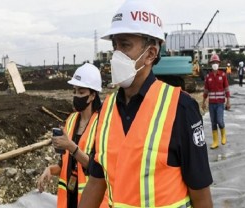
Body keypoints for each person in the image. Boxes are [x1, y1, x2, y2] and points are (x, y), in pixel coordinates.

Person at [79, 1, 213, 207]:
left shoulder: (180, 108)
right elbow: (97, 181)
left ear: (150, 54)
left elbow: (201, 194)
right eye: (114, 45)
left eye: (125, 45)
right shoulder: (106, 109)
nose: (116, 54)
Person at [37, 63, 108, 208]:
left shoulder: (102, 124)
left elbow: (97, 167)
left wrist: (71, 147)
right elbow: (63, 165)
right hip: (69, 200)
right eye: (74, 91)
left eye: (81, 93)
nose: (76, 96)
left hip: (91, 201)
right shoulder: (71, 121)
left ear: (92, 95)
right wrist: (50, 170)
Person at [202, 54, 231, 149]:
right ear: (211, 64)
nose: (215, 64)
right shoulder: (208, 77)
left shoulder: (222, 75)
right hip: (211, 104)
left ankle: (223, 135)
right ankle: (215, 141)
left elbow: (226, 89)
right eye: (213, 62)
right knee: (213, 122)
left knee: (220, 121)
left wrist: (228, 101)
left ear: (218, 63)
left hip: (220, 103)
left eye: (216, 62)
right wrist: (203, 101)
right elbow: (206, 90)